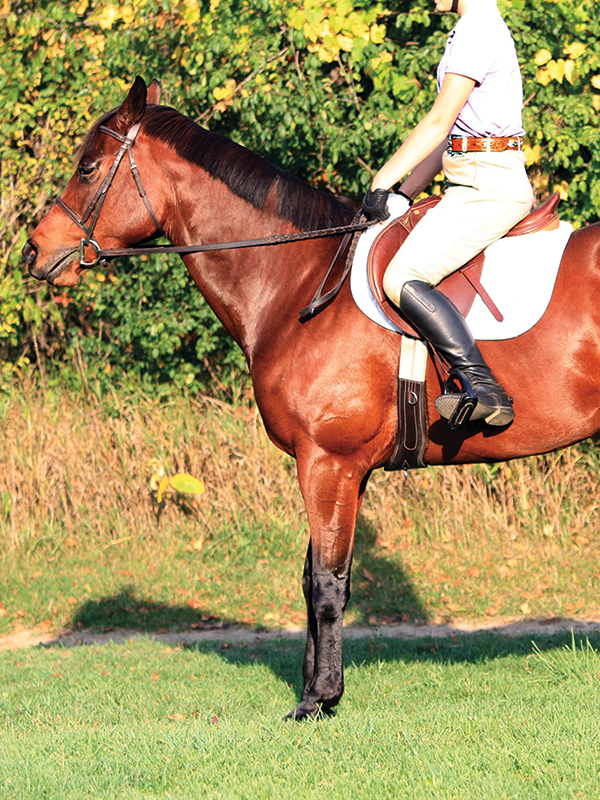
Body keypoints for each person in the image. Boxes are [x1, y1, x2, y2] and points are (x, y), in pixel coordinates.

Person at [362, 0, 534, 428]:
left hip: (488, 184)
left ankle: (484, 388)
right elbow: (450, 137)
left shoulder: (478, 28)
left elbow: (438, 122)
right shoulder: (473, 27)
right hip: (469, 176)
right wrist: (402, 194)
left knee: (401, 277)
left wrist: (380, 182)